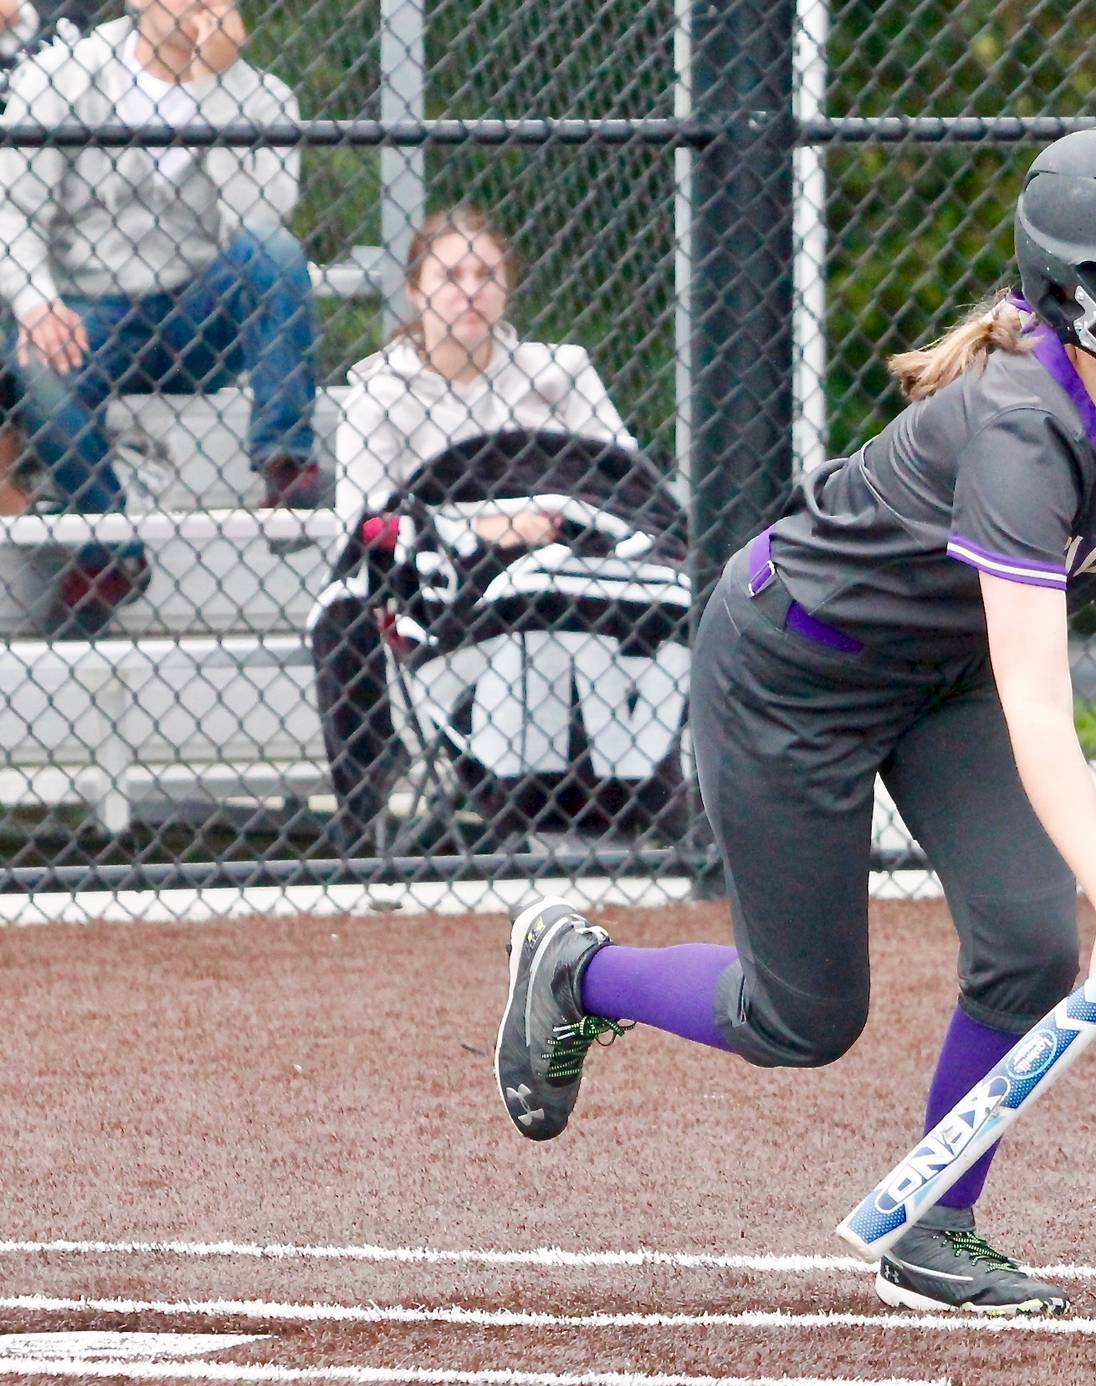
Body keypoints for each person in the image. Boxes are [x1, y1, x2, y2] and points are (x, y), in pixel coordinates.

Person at [490, 126, 1096, 1317]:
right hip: (796, 672)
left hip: (945, 675)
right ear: (1071, 291)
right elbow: (1038, 692)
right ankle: (577, 969)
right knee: (798, 1017)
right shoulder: (1022, 425)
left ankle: (935, 1226)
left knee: (1025, 943)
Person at [312, 204, 640, 854]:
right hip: (433, 584)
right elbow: (365, 521)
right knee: (344, 605)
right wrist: (483, 525)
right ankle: (371, 798)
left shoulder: (559, 374)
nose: (470, 289)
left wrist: (548, 520)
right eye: (450, 274)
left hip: (553, 567)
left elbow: (627, 482)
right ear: (415, 288)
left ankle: (593, 805)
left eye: (486, 273)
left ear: (508, 285)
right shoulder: (379, 392)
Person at [0, 0, 316, 633]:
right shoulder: (64, 74)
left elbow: (257, 221)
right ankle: (113, 545)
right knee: (31, 364)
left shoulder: (264, 96)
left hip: (202, 314)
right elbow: (12, 211)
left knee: (276, 255)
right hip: (93, 312)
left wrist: (214, 88)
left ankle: (287, 466)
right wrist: (37, 303)